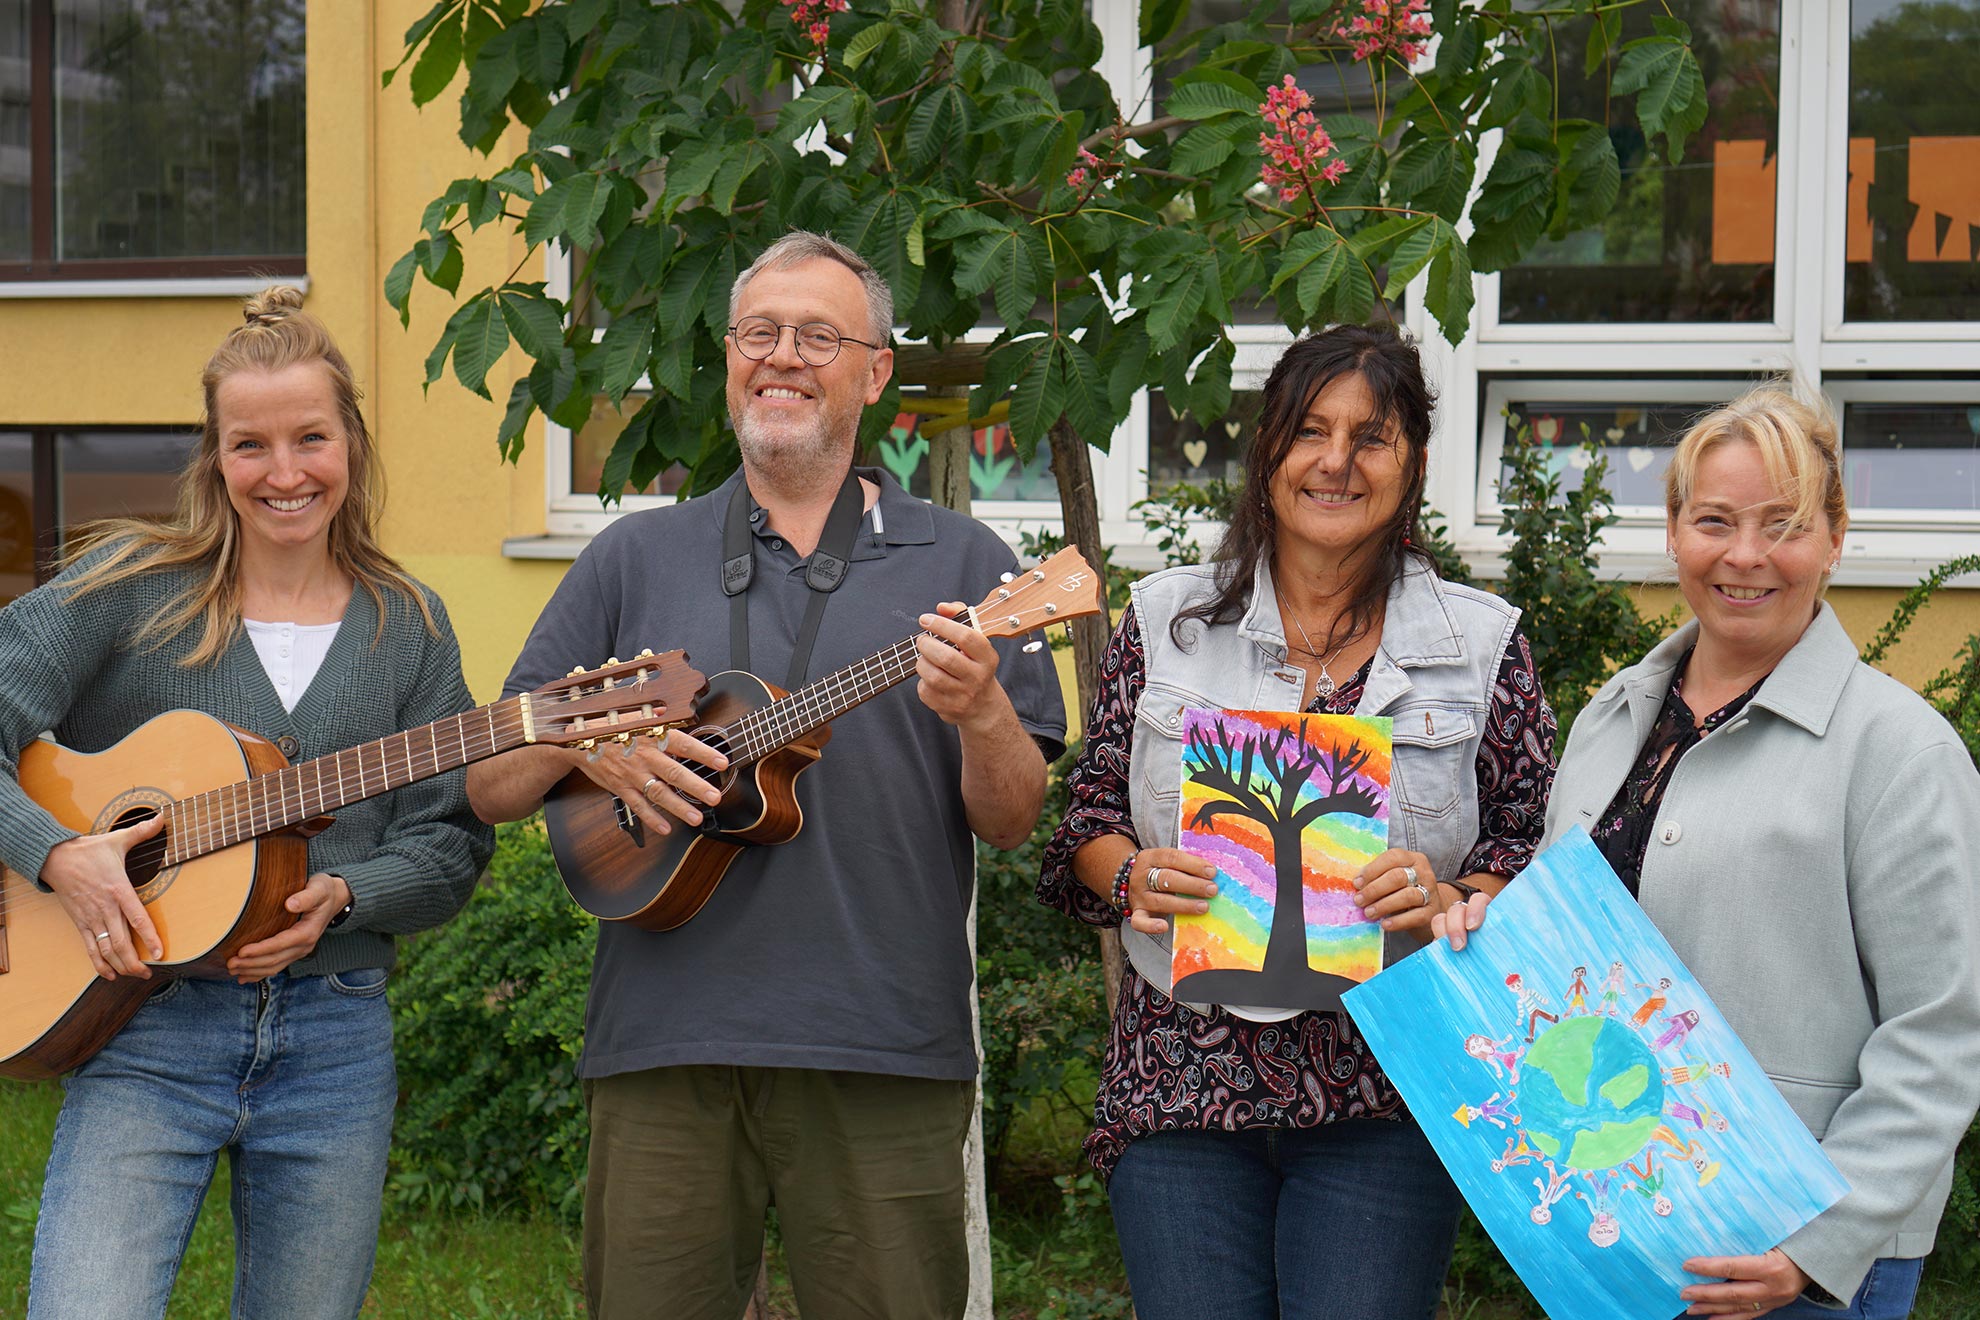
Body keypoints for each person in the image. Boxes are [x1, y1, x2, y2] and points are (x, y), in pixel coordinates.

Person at [466, 230, 1066, 1320]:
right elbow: (490, 786)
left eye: (819, 336)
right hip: (662, 1042)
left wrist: (983, 713)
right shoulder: (632, 555)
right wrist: (591, 747)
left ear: (875, 373)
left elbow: (1014, 818)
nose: (782, 356)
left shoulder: (970, 566)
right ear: (731, 356)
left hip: (885, 1045)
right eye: (759, 332)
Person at [1036, 324, 1557, 1320]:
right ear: (1267, 450)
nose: (1336, 461)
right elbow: (1088, 818)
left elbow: (1527, 853)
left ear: (1413, 466)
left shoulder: (1482, 647)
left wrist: (1451, 897)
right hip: (1181, 1080)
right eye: (1310, 430)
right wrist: (1133, 877)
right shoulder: (1168, 623)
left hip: (1389, 1091)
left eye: (1372, 438)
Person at [2, 286, 494, 1319]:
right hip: (142, 1027)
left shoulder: (408, 624)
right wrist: (56, 851)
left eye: (310, 438)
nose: (284, 473)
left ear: (351, 443)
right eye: (249, 445)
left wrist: (351, 895)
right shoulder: (127, 588)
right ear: (213, 458)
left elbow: (450, 839)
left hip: (335, 1041)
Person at [1438, 384, 1980, 1320]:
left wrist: (1817, 1244)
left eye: (1785, 525)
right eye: (1716, 520)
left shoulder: (1901, 753)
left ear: (1835, 538)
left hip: (1788, 1256)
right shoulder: (1612, 719)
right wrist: (1495, 931)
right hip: (1616, 1216)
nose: (1746, 555)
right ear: (1674, 530)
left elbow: (1942, 1032)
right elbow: (1579, 953)